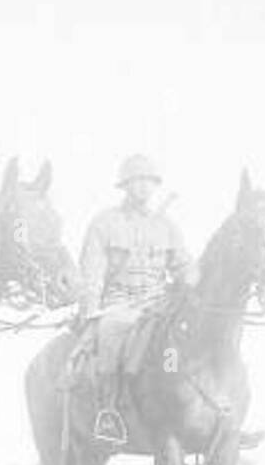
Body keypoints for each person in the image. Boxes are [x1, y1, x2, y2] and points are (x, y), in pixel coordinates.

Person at [78, 153, 193, 443]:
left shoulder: (167, 226)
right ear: (125, 186)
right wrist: (91, 310)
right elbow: (92, 272)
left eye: (149, 182)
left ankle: (210, 408)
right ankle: (108, 413)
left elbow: (183, 265)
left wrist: (193, 278)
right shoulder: (104, 223)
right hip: (119, 303)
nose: (143, 188)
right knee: (114, 329)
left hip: (158, 302)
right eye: (136, 181)